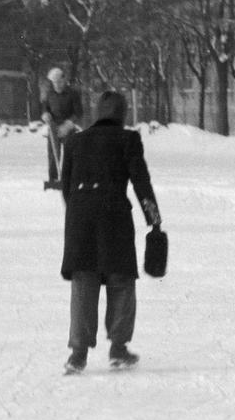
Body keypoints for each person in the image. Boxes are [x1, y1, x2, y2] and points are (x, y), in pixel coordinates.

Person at [59, 90, 161, 375]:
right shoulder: (128, 139)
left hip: (79, 218)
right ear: (122, 114)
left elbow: (66, 186)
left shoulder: (75, 141)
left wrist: (79, 211)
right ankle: (118, 349)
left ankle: (77, 355)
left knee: (84, 283)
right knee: (121, 281)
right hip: (114, 216)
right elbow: (142, 183)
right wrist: (155, 220)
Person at [41, 66, 84, 185]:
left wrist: (69, 124)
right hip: (53, 127)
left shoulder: (72, 94)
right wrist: (45, 114)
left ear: (64, 80)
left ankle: (69, 178)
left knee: (69, 154)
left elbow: (79, 112)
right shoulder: (49, 94)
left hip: (68, 127)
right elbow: (45, 108)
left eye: (59, 82)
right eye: (55, 83)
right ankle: (53, 179)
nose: (58, 85)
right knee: (53, 154)